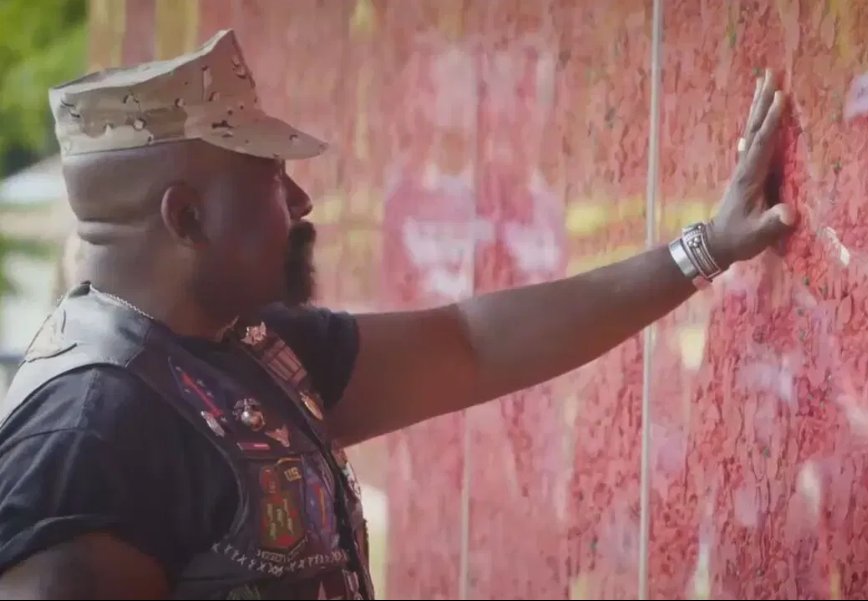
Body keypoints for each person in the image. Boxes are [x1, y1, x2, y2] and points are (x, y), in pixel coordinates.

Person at [0, 29, 793, 600]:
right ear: (186, 217)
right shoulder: (86, 438)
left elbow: (472, 343)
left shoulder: (248, 349)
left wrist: (706, 247)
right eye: (270, 178)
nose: (302, 201)